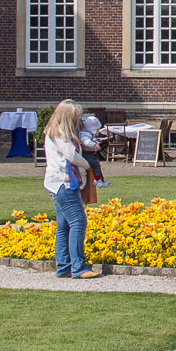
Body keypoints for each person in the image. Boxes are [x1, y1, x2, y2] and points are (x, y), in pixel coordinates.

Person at [43, 100, 99, 279]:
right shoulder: (61, 132)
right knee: (78, 222)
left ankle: (64, 266)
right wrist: (88, 165)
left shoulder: (55, 131)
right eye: (76, 116)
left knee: (64, 225)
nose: (78, 120)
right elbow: (71, 155)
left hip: (56, 183)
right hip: (64, 183)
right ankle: (78, 267)